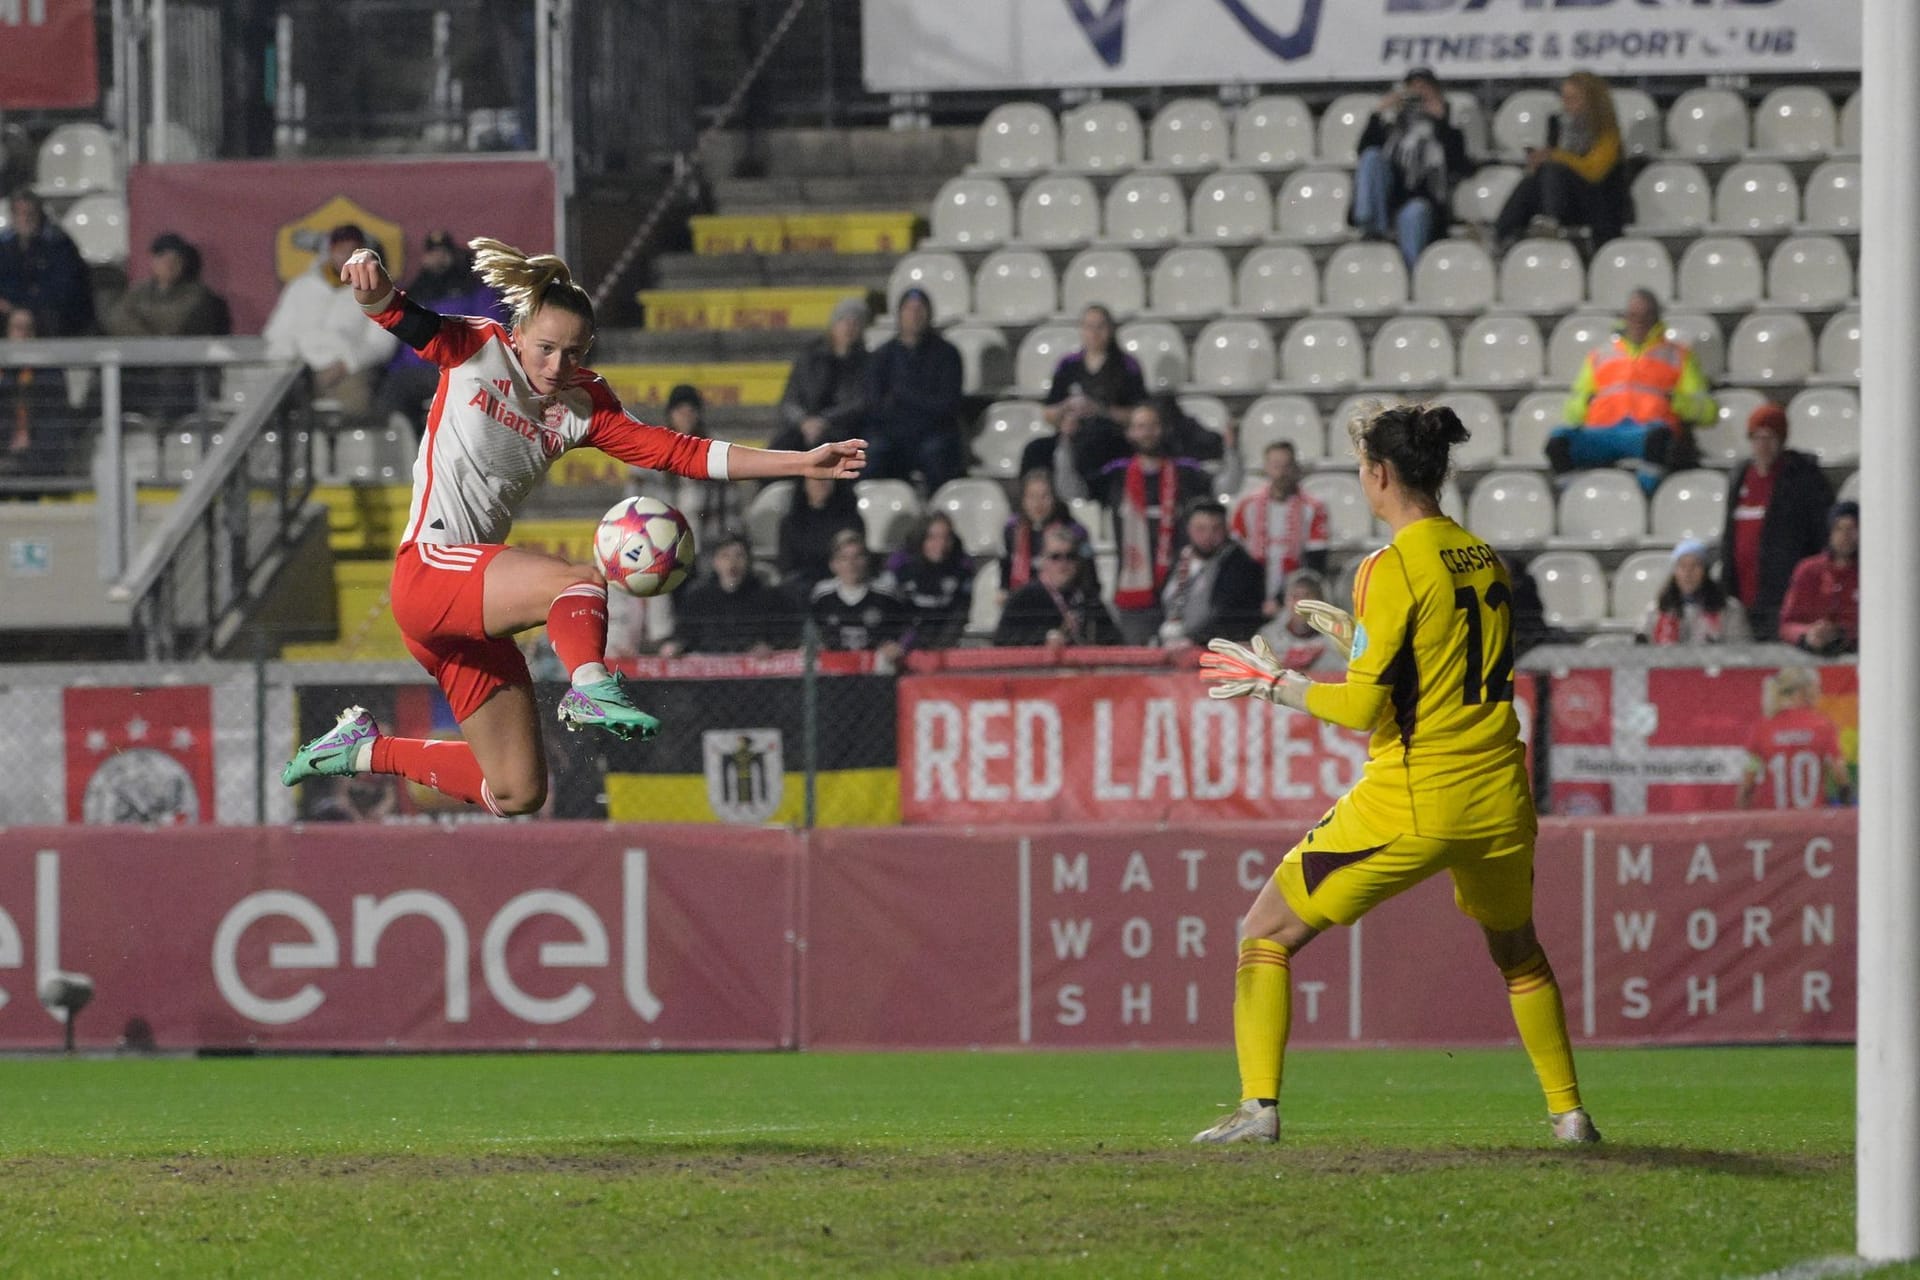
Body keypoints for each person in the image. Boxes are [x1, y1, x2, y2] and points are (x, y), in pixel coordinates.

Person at [279, 237, 865, 817]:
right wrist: (372, 284)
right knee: (580, 580)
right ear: (517, 333)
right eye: (546, 347)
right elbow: (399, 315)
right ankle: (590, 685)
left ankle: (365, 749)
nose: (558, 365)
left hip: (465, 610)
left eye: (574, 353)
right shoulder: (477, 347)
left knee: (515, 791)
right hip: (429, 570)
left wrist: (798, 461)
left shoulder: (584, 404)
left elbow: (680, 452)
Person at [1194, 401, 1597, 1146]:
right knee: (1517, 952)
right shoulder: (1482, 557)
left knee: (1264, 932)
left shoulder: (1389, 565)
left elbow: (1361, 709)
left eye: (1360, 469)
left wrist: (1276, 684)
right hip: (1501, 797)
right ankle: (1569, 1114)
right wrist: (1364, 637)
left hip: (1418, 794)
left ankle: (1258, 1110)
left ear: (1379, 475)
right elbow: (1444, 668)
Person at [1549, 290, 1714, 494]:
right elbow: (1571, 411)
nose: (1639, 322)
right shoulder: (1599, 356)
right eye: (1634, 316)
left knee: (1659, 439)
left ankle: (1642, 497)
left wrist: (1677, 401)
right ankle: (1574, 498)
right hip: (1602, 433)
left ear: (1656, 318)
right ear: (1625, 318)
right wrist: (1586, 402)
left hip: (1646, 434)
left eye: (1646, 316)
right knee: (1558, 442)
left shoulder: (1678, 355)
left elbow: (1707, 411)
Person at [1099, 401, 1214, 646]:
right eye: (1140, 426)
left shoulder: (1187, 472)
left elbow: (1223, 490)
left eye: (1152, 426)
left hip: (1181, 589)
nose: (1147, 432)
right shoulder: (1116, 474)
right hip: (1134, 592)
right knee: (1139, 669)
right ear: (1129, 432)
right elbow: (1072, 487)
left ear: (1163, 430)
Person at [1720, 402, 1832, 643]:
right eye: (1757, 437)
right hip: (1742, 599)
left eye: (1770, 437)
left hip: (1784, 599)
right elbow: (1730, 536)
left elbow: (1821, 535)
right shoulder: (1739, 477)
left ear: (1781, 440)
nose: (1763, 445)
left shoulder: (1803, 479)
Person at [375, 229, 507, 434]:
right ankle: (398, 448)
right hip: (416, 371)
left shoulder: (477, 291)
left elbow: (493, 333)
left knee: (403, 385)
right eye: (432, 253)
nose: (438, 259)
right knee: (392, 388)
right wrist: (393, 369)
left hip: (460, 369)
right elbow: (400, 343)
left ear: (453, 255)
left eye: (443, 253)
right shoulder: (414, 294)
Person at [262, 224, 400, 414]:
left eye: (352, 252)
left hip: (348, 371)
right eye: (339, 250)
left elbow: (381, 345)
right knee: (272, 406)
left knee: (354, 408)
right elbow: (277, 333)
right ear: (330, 252)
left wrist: (345, 364)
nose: (345, 257)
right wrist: (291, 363)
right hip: (300, 370)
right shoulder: (301, 286)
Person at [1349, 67, 1472, 271]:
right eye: (1412, 88)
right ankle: (1370, 225)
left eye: (1424, 88)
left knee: (1413, 214)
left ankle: (1412, 277)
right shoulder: (1390, 126)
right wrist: (1379, 112)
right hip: (1389, 195)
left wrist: (1441, 121)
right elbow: (1363, 150)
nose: (1417, 94)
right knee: (1372, 157)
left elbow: (1458, 164)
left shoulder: (1448, 130)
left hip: (1422, 200)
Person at [1020, 304, 1146, 500]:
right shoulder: (1068, 365)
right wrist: (1065, 410)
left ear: (1111, 330)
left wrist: (1101, 410)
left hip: (1111, 435)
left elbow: (1139, 413)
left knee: (1091, 450)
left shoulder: (1126, 366)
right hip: (1072, 434)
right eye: (1089, 327)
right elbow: (1048, 413)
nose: (1094, 333)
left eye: (1100, 327)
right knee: (1035, 450)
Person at [1493, 71, 1629, 252]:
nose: (1566, 104)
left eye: (1573, 99)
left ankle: (1551, 222)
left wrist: (1556, 157)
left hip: (1598, 202)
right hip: (1563, 198)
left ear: (1592, 102)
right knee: (1531, 183)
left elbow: (1595, 171)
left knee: (1552, 168)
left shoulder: (1607, 133)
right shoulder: (1558, 125)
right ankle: (1502, 234)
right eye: (1564, 98)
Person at [863, 286, 963, 494]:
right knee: (873, 454)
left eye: (920, 309)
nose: (914, 315)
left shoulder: (947, 354)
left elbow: (948, 405)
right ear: (899, 314)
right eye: (909, 309)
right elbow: (875, 405)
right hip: (893, 433)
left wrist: (904, 396)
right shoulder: (882, 356)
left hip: (933, 432)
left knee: (938, 453)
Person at [1230, 441, 1330, 614]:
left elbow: (1314, 561)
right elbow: (1235, 557)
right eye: (1276, 465)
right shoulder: (1247, 506)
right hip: (1252, 595)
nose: (1281, 473)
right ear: (1266, 468)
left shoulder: (1314, 508)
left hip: (1295, 598)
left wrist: (1281, 598)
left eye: (1287, 466)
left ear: (1295, 468)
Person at [1735, 666, 1852, 810]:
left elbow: (1747, 785)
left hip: (1774, 822)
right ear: (1805, 690)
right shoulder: (1823, 726)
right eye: (1818, 688)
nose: (1820, 693)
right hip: (1813, 821)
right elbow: (1840, 774)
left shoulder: (1762, 727)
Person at [629, 383, 730, 547]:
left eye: (691, 411)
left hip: (705, 544)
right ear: (670, 414)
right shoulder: (649, 452)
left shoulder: (714, 450)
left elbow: (729, 509)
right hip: (659, 545)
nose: (686, 416)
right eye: (680, 411)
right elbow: (633, 506)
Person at [660, 533, 792, 656]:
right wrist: (675, 647)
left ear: (749, 561)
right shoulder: (697, 597)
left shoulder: (767, 597)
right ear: (715, 562)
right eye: (725, 556)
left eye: (739, 556)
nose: (732, 563)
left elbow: (782, 638)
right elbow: (682, 636)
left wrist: (769, 647)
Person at [1160, 499, 1268, 648]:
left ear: (1226, 530)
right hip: (1171, 645)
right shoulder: (1180, 558)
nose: (1208, 535)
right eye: (1200, 529)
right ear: (1188, 529)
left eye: (1216, 529)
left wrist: (1194, 640)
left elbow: (1229, 615)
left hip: (1212, 649)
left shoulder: (1240, 566)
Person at [994, 524, 1121, 649]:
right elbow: (1002, 641)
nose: (1063, 563)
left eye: (1070, 556)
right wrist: (1043, 639)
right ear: (1043, 559)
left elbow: (1115, 642)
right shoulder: (1023, 598)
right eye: (1056, 557)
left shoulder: (1088, 598)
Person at [771, 296, 871, 453]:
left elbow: (858, 404)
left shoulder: (866, 363)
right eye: (844, 321)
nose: (849, 328)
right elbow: (789, 400)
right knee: (781, 446)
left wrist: (824, 421)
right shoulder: (810, 357)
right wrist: (804, 422)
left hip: (841, 430)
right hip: (803, 427)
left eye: (855, 323)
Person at [0, 189, 93, 336]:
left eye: (30, 213)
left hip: (50, 310)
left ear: (39, 214)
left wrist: (27, 307)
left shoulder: (59, 244)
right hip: (12, 308)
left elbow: (65, 288)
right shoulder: (5, 245)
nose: (25, 219)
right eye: (20, 214)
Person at [104, 232, 230, 339]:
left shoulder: (197, 294)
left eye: (175, 260)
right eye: (163, 259)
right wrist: (153, 339)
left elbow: (177, 323)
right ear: (153, 262)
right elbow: (117, 321)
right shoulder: (138, 291)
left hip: (182, 363)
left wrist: (142, 320)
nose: (169, 265)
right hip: (142, 362)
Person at [810, 529, 912, 660]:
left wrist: (898, 646)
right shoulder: (821, 595)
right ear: (833, 564)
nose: (851, 564)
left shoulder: (886, 594)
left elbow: (907, 628)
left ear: (867, 560)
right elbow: (810, 630)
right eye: (844, 558)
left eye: (857, 557)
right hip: (833, 669)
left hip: (876, 669)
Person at [879, 512, 975, 650]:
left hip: (943, 642)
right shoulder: (900, 565)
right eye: (932, 538)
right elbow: (888, 610)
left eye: (946, 538)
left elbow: (960, 612)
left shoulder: (961, 567)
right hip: (902, 644)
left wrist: (941, 647)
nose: (940, 545)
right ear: (921, 539)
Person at [0, 307, 75, 476]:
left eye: (29, 328)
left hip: (38, 464)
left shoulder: (50, 375)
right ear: (7, 333)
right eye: (18, 328)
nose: (24, 334)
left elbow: (54, 426)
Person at [1777, 501, 1859, 656]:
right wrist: (1809, 633)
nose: (1845, 536)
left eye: (1852, 529)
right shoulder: (1808, 570)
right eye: (1839, 529)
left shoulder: (1870, 573)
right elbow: (1787, 624)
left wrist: (1841, 632)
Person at [1639, 539, 1750, 645]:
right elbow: (1642, 651)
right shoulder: (1656, 611)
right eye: (1682, 566)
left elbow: (1740, 654)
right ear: (1675, 572)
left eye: (1695, 566)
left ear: (1705, 571)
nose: (1688, 573)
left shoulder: (1729, 610)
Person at [1001, 468, 1089, 597]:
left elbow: (1087, 577)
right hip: (1023, 600)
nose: (1038, 504)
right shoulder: (1013, 530)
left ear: (1055, 498)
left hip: (1064, 598)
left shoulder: (1074, 532)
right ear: (1023, 500)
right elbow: (1006, 567)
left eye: (1045, 496)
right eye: (1032, 497)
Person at [776, 474, 865, 595]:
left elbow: (855, 557)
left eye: (826, 477)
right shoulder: (791, 522)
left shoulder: (851, 519)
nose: (821, 483)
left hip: (841, 583)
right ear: (804, 483)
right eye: (815, 478)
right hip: (802, 586)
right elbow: (787, 564)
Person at [1255, 570, 1350, 672]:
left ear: (1321, 602)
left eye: (1307, 596)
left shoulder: (1338, 640)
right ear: (1286, 601)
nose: (1300, 604)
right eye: (1295, 596)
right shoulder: (1268, 637)